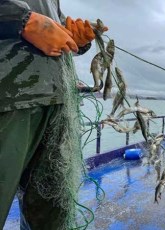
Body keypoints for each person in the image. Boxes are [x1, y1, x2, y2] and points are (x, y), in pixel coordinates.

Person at [0, 1, 105, 228]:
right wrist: (20, 19)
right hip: (7, 96)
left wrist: (77, 39)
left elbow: (54, 27)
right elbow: (28, 19)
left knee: (52, 212)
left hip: (58, 101)